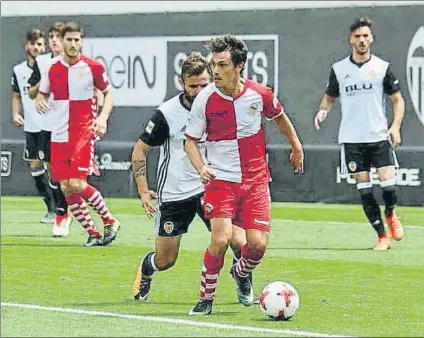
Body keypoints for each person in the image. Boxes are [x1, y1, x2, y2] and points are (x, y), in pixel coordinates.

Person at [184, 35, 304, 315]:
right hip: (220, 181)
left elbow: (280, 118)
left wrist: (296, 146)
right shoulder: (205, 98)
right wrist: (202, 168)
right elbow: (190, 141)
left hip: (256, 180)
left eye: (223, 64)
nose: (216, 71)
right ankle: (205, 299)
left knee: (258, 245)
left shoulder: (260, 94)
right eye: (214, 64)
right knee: (221, 238)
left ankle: (241, 272)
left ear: (239, 66)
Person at [131, 52, 256, 304]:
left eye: (203, 84)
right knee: (166, 260)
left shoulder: (221, 104)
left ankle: (243, 277)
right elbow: (139, 150)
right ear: (181, 83)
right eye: (193, 86)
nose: (199, 91)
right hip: (175, 192)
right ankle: (147, 268)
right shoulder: (166, 113)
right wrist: (144, 190)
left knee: (238, 240)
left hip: (212, 186)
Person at [314, 17, 405, 251]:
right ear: (350, 40)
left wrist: (394, 127)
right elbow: (330, 97)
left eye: (366, 36)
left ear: (371, 39)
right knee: (364, 191)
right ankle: (382, 236)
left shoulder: (382, 67)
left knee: (389, 186)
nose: (362, 40)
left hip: (378, 137)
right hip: (352, 139)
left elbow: (398, 100)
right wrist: (323, 112)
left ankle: (391, 213)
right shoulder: (339, 69)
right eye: (358, 36)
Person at [35, 21, 120, 247]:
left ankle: (110, 220)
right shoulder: (52, 69)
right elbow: (42, 94)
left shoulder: (93, 67)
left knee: (77, 183)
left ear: (81, 41)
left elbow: (108, 94)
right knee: (65, 186)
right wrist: (40, 102)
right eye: (69, 40)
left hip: (83, 132)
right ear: (61, 42)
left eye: (77, 40)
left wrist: (102, 118)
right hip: (58, 134)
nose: (73, 44)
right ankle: (92, 232)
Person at [28, 22, 73, 237]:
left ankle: (66, 212)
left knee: (69, 175)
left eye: (58, 36)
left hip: (68, 125)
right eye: (52, 36)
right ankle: (61, 211)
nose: (54, 40)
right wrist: (40, 91)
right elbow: (31, 92)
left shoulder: (74, 64)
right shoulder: (42, 62)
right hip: (47, 125)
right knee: (53, 172)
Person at [11, 28, 57, 224]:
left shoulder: (49, 66)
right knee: (35, 166)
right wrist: (15, 113)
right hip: (31, 125)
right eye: (33, 44)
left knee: (51, 167)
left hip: (49, 123)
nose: (36, 47)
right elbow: (16, 94)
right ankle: (50, 209)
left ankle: (61, 209)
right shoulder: (19, 70)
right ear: (26, 46)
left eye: (40, 44)